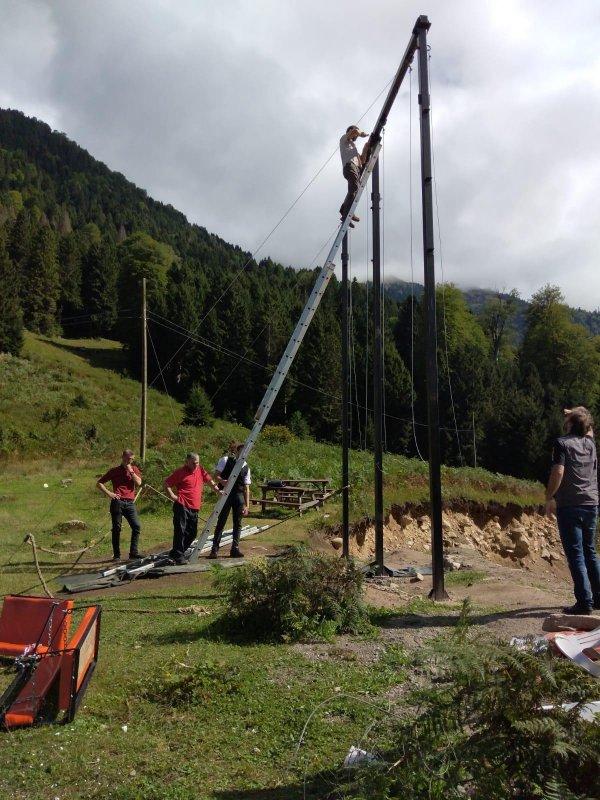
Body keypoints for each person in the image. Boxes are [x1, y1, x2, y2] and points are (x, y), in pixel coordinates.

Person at [545, 406, 600, 615]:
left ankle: (584, 602)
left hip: (570, 504)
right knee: (590, 552)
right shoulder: (590, 443)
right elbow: (588, 425)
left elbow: (558, 472)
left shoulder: (562, 443)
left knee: (576, 554)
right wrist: (577, 412)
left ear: (569, 423)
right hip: (591, 503)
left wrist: (549, 496)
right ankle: (598, 598)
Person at [164, 452, 222, 565]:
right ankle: (178, 556)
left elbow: (209, 480)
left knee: (192, 533)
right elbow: (166, 484)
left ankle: (176, 553)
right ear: (187, 462)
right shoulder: (180, 472)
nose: (196, 465)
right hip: (182, 505)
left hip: (194, 507)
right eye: (193, 463)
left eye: (197, 463)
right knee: (180, 531)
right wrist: (172, 496)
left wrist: (217, 490)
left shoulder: (200, 470)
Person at [97, 449, 143, 561]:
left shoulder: (134, 469)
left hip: (130, 503)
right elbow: (99, 483)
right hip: (117, 502)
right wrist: (109, 493)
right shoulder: (114, 471)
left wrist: (131, 471)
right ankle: (117, 555)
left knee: (136, 526)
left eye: (132, 459)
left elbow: (139, 483)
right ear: (123, 457)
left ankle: (133, 553)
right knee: (117, 528)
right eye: (128, 458)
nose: (130, 461)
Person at [209, 442, 251, 559]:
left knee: (238, 523)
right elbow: (216, 475)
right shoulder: (225, 460)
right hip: (226, 494)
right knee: (221, 521)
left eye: (246, 451)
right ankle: (214, 550)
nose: (244, 453)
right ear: (237, 451)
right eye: (242, 451)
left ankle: (235, 549)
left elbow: (246, 488)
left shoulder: (246, 466)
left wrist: (247, 505)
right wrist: (222, 481)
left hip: (238, 495)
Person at [339, 125, 370, 226]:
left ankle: (344, 209)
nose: (356, 136)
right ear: (350, 131)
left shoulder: (353, 147)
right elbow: (355, 131)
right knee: (354, 187)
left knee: (353, 189)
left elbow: (362, 160)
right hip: (350, 166)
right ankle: (346, 214)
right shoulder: (344, 139)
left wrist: (366, 147)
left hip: (356, 168)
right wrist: (361, 133)